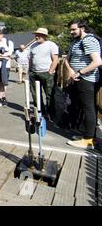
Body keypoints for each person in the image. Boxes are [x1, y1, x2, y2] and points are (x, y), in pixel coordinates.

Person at [64, 20, 102, 149]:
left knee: (89, 108)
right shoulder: (75, 42)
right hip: (78, 79)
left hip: (87, 79)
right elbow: (67, 59)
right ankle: (88, 135)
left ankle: (89, 140)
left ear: (83, 28)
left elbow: (97, 62)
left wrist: (79, 73)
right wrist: (71, 72)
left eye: (74, 29)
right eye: (70, 30)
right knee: (83, 108)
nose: (71, 32)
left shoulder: (88, 40)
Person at [28, 28, 59, 118]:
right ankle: (40, 111)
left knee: (49, 94)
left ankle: (51, 113)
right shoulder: (33, 46)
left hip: (47, 73)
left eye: (39, 35)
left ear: (45, 36)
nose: (37, 36)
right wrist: (29, 71)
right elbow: (31, 59)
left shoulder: (51, 45)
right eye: (36, 35)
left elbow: (55, 59)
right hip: (34, 73)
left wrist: (50, 72)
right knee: (35, 94)